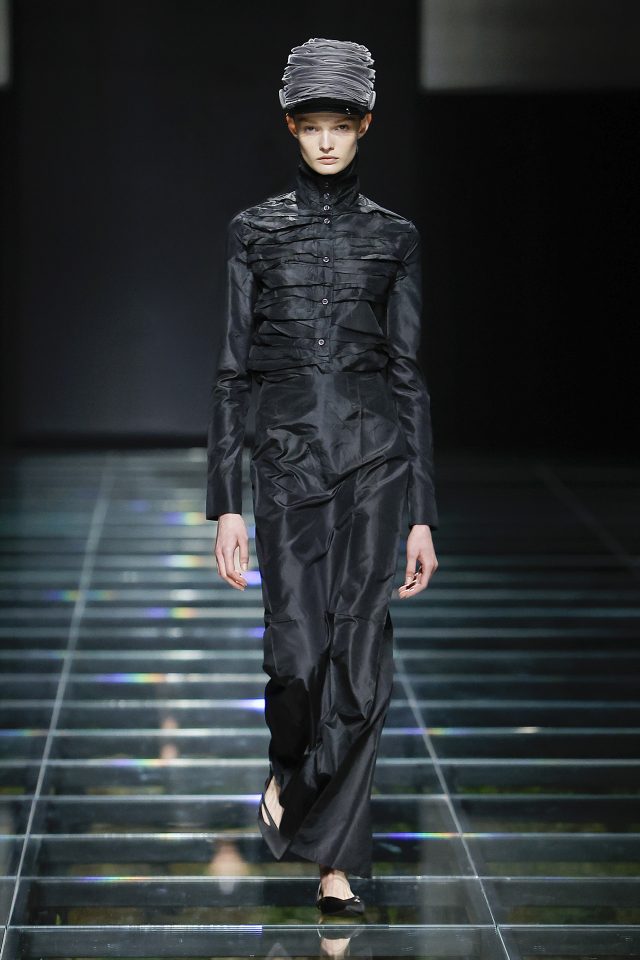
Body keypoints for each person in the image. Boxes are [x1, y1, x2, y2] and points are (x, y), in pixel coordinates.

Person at [206, 38, 439, 915]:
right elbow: (233, 373)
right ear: (292, 129)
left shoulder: (395, 237)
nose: (328, 140)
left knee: (362, 667)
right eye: (313, 126)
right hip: (287, 469)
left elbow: (409, 375)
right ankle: (287, 771)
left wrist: (422, 513)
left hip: (377, 470)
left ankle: (335, 863)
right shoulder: (253, 232)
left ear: (365, 125)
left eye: (341, 124)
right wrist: (227, 505)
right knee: (299, 660)